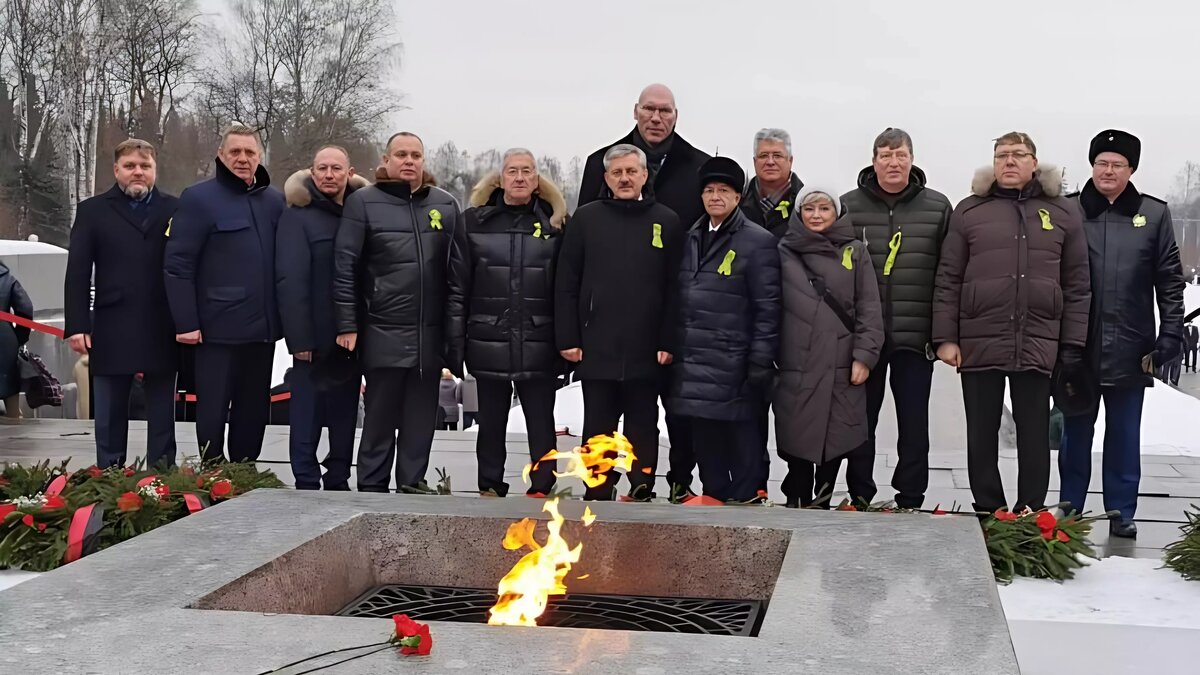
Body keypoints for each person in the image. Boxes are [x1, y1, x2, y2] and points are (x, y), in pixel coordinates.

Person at [933, 132, 1090, 514]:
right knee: (982, 435)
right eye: (1002, 155)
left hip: (1037, 339)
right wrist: (945, 338)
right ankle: (989, 510)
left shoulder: (1062, 212)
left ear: (1034, 162)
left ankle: (1029, 512)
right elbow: (949, 277)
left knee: (1034, 434)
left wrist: (1071, 344)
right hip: (979, 338)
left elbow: (1078, 283)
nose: (1009, 162)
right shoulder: (969, 210)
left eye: (1019, 155)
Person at [577, 83, 710, 500]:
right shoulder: (602, 160)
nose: (657, 117)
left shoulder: (696, 166)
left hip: (662, 319)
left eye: (665, 111)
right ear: (635, 111)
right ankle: (599, 482)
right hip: (604, 324)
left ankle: (668, 480)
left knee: (661, 411)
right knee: (600, 414)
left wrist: (672, 329)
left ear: (675, 115)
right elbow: (577, 256)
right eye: (649, 109)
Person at [1058, 130, 1185, 538]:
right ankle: (1069, 507)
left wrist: (1170, 333)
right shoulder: (1068, 211)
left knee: (1125, 434)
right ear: (1091, 165)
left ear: (1131, 170)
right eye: (1101, 163)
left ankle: (1121, 512)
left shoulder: (1154, 215)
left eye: (1117, 164)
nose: (1108, 171)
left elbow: (1169, 280)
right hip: (1078, 345)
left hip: (1132, 345)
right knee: (1075, 431)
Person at [333, 131, 467, 494]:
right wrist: (347, 323)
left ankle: (412, 485)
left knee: (421, 421)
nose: (409, 161)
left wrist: (454, 339)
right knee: (378, 419)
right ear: (386, 161)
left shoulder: (445, 205)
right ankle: (373, 489)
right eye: (402, 154)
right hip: (382, 333)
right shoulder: (362, 202)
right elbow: (345, 266)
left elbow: (457, 276)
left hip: (429, 336)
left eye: (416, 155)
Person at [556, 144, 684, 501]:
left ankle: (642, 484)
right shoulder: (586, 219)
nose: (625, 178)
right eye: (618, 173)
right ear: (606, 178)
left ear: (644, 175)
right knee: (598, 424)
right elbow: (566, 281)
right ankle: (597, 485)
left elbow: (676, 288)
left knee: (643, 423)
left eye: (632, 171)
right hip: (597, 343)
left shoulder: (667, 221)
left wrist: (668, 340)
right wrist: (568, 335)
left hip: (648, 347)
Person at [839, 128, 953, 509]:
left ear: (912, 159)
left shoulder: (937, 207)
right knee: (861, 420)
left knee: (914, 423)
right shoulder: (849, 206)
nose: (893, 162)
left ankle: (910, 494)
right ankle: (859, 492)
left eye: (900, 154)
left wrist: (942, 333)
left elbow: (947, 273)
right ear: (874, 160)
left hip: (915, 336)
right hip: (864, 339)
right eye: (885, 155)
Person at [164, 123, 284, 463]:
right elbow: (178, 264)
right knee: (213, 408)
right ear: (221, 155)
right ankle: (213, 472)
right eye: (235, 152)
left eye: (250, 152)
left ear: (259, 156)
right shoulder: (199, 198)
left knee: (254, 408)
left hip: (262, 330)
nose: (243, 159)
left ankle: (245, 471)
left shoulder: (274, 202)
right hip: (216, 329)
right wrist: (186, 321)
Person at [668, 157, 780, 504]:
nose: (716, 197)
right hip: (695, 354)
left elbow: (768, 306)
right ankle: (714, 491)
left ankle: (747, 494)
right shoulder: (690, 235)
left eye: (724, 191)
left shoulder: (757, 241)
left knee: (742, 430)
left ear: (736, 197)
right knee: (704, 428)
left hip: (734, 355)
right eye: (710, 190)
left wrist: (761, 359)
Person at [64, 138, 180, 468]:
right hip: (112, 324)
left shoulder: (175, 209)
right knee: (111, 411)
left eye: (145, 166)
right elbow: (78, 272)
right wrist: (77, 326)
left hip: (163, 322)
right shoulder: (92, 211)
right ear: (116, 170)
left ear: (155, 170)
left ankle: (162, 477)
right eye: (130, 166)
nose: (138, 172)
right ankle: (110, 475)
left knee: (162, 411)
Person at [462, 148, 568, 497]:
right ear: (500, 179)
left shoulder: (556, 227)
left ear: (537, 181)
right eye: (512, 171)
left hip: (539, 338)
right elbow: (459, 283)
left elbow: (567, 287)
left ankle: (542, 484)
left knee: (541, 420)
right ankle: (490, 483)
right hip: (488, 336)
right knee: (490, 420)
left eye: (527, 171)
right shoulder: (474, 223)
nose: (520, 177)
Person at [774, 185, 883, 508]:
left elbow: (869, 308)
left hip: (840, 359)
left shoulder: (855, 251)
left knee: (835, 435)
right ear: (798, 213)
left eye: (824, 208)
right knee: (797, 433)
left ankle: (822, 500)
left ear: (836, 213)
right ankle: (795, 498)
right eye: (809, 209)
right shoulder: (783, 251)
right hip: (795, 360)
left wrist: (865, 355)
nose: (817, 215)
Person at [275, 145, 368, 490]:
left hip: (350, 336)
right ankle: (306, 478)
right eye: (322, 168)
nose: (329, 175)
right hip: (311, 336)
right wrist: (298, 339)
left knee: (345, 413)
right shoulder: (297, 216)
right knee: (306, 416)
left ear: (349, 172)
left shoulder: (361, 214)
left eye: (336, 169)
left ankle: (339, 476)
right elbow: (289, 279)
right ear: (312, 173)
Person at [740, 128, 804, 239]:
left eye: (777, 156)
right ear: (755, 161)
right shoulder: (736, 203)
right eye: (763, 156)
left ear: (790, 161)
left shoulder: (807, 206)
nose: (770, 162)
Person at [0, 260, 33, 422]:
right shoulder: (8, 279)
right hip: (5, 339)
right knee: (10, 389)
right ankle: (14, 416)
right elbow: (25, 309)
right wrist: (19, 337)